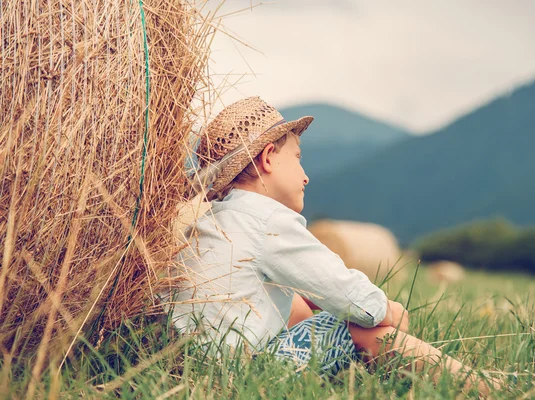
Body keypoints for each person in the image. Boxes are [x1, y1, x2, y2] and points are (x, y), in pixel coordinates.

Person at [171, 96, 496, 394]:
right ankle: (484, 387)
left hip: (193, 373)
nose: (305, 176)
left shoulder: (211, 222)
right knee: (365, 330)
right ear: (269, 158)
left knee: (297, 305)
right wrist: (387, 309)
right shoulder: (268, 219)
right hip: (239, 377)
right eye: (297, 158)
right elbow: (348, 294)